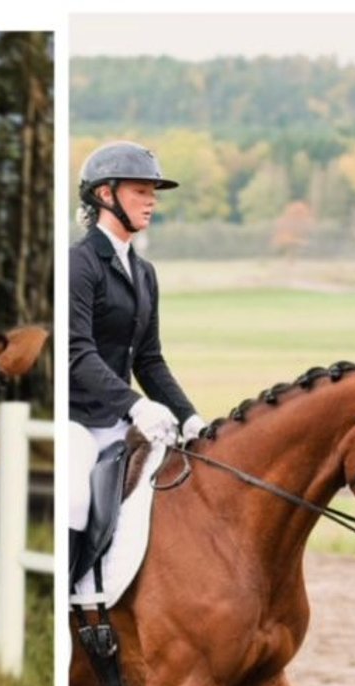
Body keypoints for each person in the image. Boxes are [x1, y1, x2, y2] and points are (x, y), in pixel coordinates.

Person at [68, 141, 205, 556]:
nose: (151, 202)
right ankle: (72, 603)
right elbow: (77, 352)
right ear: (105, 194)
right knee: (75, 497)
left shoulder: (144, 273)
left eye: (153, 193)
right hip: (77, 419)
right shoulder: (79, 264)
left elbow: (149, 359)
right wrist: (136, 405)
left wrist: (190, 416)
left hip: (119, 418)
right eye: (140, 191)